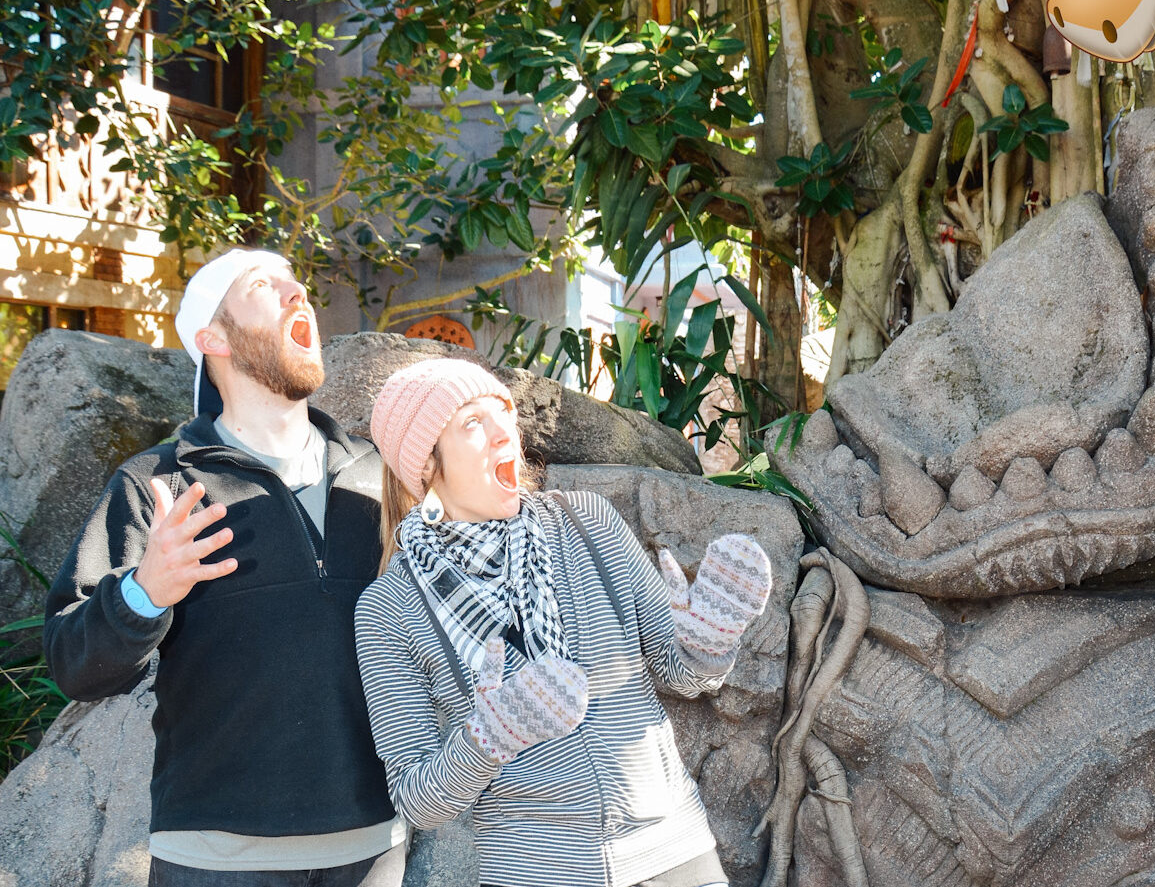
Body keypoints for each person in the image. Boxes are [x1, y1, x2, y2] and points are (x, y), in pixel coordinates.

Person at [43, 249, 406, 887]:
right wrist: (145, 592)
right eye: (265, 286)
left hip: (374, 847)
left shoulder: (379, 477)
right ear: (212, 338)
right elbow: (74, 663)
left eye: (299, 284)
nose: (299, 295)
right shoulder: (156, 484)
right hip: (216, 859)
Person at [357, 357, 772, 887]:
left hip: (674, 852)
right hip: (536, 871)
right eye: (470, 423)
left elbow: (680, 673)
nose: (502, 431)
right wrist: (486, 740)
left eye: (501, 411)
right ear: (427, 467)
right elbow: (417, 800)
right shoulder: (389, 608)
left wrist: (706, 641)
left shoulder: (587, 521)